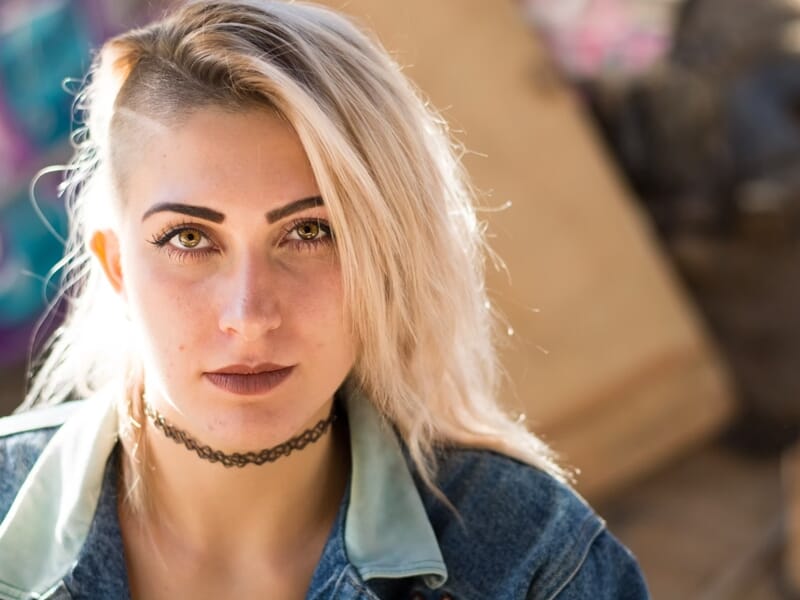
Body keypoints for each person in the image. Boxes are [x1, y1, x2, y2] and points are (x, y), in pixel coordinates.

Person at [0, 1, 650, 598]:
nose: (249, 316)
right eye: (189, 237)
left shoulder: (536, 562)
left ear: (386, 256)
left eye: (311, 231)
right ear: (116, 266)